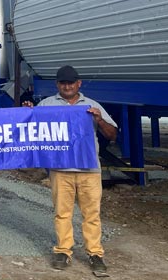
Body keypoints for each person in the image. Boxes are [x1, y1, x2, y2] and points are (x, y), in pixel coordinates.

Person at [24, 65, 118, 275]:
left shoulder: (92, 106)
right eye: (63, 83)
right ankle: (63, 251)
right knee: (62, 213)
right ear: (58, 85)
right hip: (61, 169)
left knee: (92, 214)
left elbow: (112, 135)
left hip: (89, 170)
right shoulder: (46, 105)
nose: (67, 87)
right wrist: (28, 112)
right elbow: (31, 130)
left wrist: (99, 120)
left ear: (79, 84)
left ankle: (95, 254)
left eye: (71, 83)